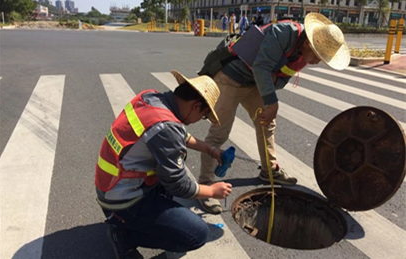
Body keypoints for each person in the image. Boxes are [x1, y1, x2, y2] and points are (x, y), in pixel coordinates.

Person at [197, 12, 350, 214]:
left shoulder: (302, 57)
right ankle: (205, 186)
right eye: (318, 56)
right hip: (231, 77)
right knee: (220, 131)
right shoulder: (284, 33)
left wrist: (269, 84)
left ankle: (269, 171)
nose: (317, 62)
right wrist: (272, 100)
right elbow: (261, 68)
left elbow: (280, 80)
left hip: (254, 82)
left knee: (266, 123)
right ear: (308, 44)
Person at [95, 71, 233, 259]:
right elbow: (178, 184)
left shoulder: (151, 98)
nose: (196, 121)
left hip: (110, 184)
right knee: (197, 235)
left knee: (172, 164)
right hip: (123, 199)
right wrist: (212, 191)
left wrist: (210, 149)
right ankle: (124, 236)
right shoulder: (167, 127)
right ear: (196, 106)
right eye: (202, 116)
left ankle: (133, 221)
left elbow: (181, 136)